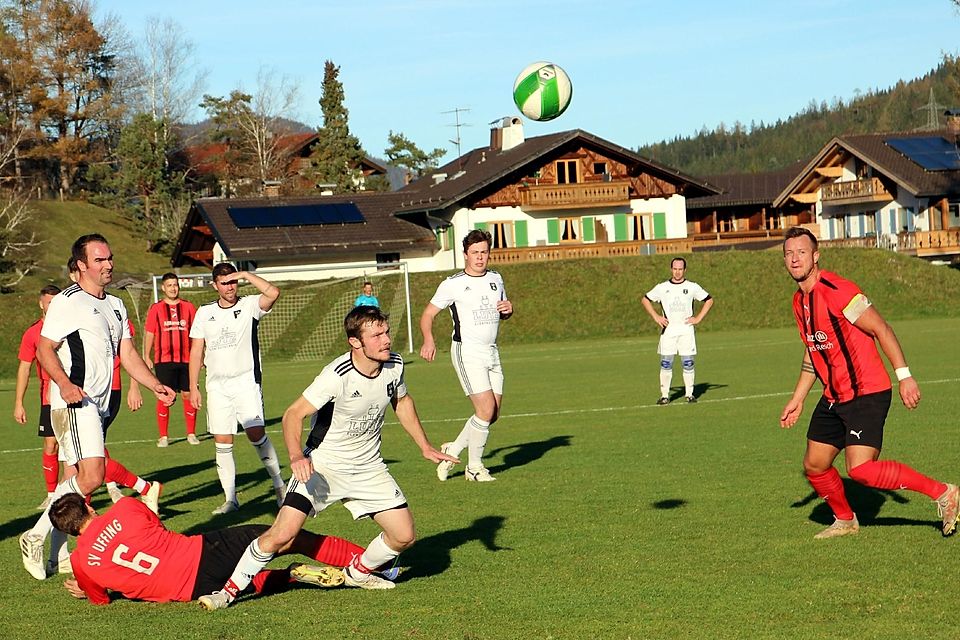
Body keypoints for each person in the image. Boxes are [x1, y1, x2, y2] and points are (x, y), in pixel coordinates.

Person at [196, 305, 458, 610]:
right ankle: (227, 592)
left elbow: (402, 400)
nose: (386, 339)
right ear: (355, 342)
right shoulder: (337, 375)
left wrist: (424, 446)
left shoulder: (395, 365)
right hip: (322, 467)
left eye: (385, 331)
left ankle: (358, 572)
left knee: (404, 536)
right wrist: (296, 456)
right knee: (282, 534)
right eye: (377, 335)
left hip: (368, 468)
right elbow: (293, 414)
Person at [779, 226, 959, 539]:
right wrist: (798, 399)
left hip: (867, 391)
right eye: (789, 254)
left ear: (816, 256)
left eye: (802, 252)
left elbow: (882, 329)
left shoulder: (839, 291)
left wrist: (904, 376)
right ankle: (846, 521)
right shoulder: (799, 301)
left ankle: (944, 493)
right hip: (834, 396)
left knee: (860, 469)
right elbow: (814, 351)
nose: (795, 259)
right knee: (815, 464)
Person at [19, 234, 176, 581]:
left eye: (110, 258)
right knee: (93, 475)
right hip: (75, 401)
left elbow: (129, 355)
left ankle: (58, 555)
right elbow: (45, 349)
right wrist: (63, 384)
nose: (108, 265)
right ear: (81, 266)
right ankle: (34, 535)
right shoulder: (66, 301)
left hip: (99, 405)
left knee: (76, 478)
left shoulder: (116, 305)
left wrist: (155, 385)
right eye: (100, 260)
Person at [48, 492, 362, 606]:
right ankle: (370, 563)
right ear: (89, 506)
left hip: (193, 590)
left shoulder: (81, 562)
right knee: (286, 536)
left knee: (244, 583)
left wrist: (87, 586)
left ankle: (291, 576)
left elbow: (100, 600)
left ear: (67, 532)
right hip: (202, 552)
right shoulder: (126, 507)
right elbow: (159, 530)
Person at [188, 263, 285, 514]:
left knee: (256, 434)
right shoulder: (204, 312)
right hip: (217, 386)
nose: (230, 287)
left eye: (233, 282)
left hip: (246, 382)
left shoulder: (249, 305)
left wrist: (244, 274)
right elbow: (196, 350)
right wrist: (193, 387)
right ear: (214, 285)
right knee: (222, 441)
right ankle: (231, 499)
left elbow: (273, 293)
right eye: (224, 282)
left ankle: (279, 486)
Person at [419, 229, 513, 482]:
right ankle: (474, 467)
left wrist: (508, 309)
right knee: (484, 409)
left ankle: (453, 448)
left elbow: (502, 309)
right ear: (465, 255)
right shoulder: (453, 284)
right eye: (475, 253)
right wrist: (429, 339)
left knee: (492, 415)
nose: (480, 258)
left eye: (484, 252)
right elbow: (427, 315)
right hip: (467, 352)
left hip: (491, 351)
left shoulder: (496, 278)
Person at [14, 285, 63, 510]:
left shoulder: (70, 328)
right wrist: (19, 403)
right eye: (49, 303)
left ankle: (79, 489)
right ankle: (52, 494)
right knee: (50, 444)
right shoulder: (33, 333)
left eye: (56, 303)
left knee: (78, 445)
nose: (52, 307)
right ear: (41, 304)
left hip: (73, 393)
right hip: (48, 399)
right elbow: (24, 368)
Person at [641, 257, 713, 404]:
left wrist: (698, 318)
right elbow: (645, 299)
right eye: (675, 269)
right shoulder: (662, 287)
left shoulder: (692, 287)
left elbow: (709, 300)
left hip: (686, 331)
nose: (677, 272)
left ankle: (689, 394)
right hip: (669, 332)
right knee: (666, 363)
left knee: (688, 363)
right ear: (671, 269)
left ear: (684, 270)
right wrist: (656, 317)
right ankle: (665, 395)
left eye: (680, 269)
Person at [144, 272, 198, 447]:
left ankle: (191, 433)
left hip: (187, 359)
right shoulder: (156, 309)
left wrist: (202, 356)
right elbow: (150, 333)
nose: (173, 288)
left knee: (188, 394)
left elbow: (198, 334)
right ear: (163, 288)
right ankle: (164, 436)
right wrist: (146, 355)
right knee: (165, 397)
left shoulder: (189, 307)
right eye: (169, 285)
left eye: (175, 285)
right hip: (164, 359)